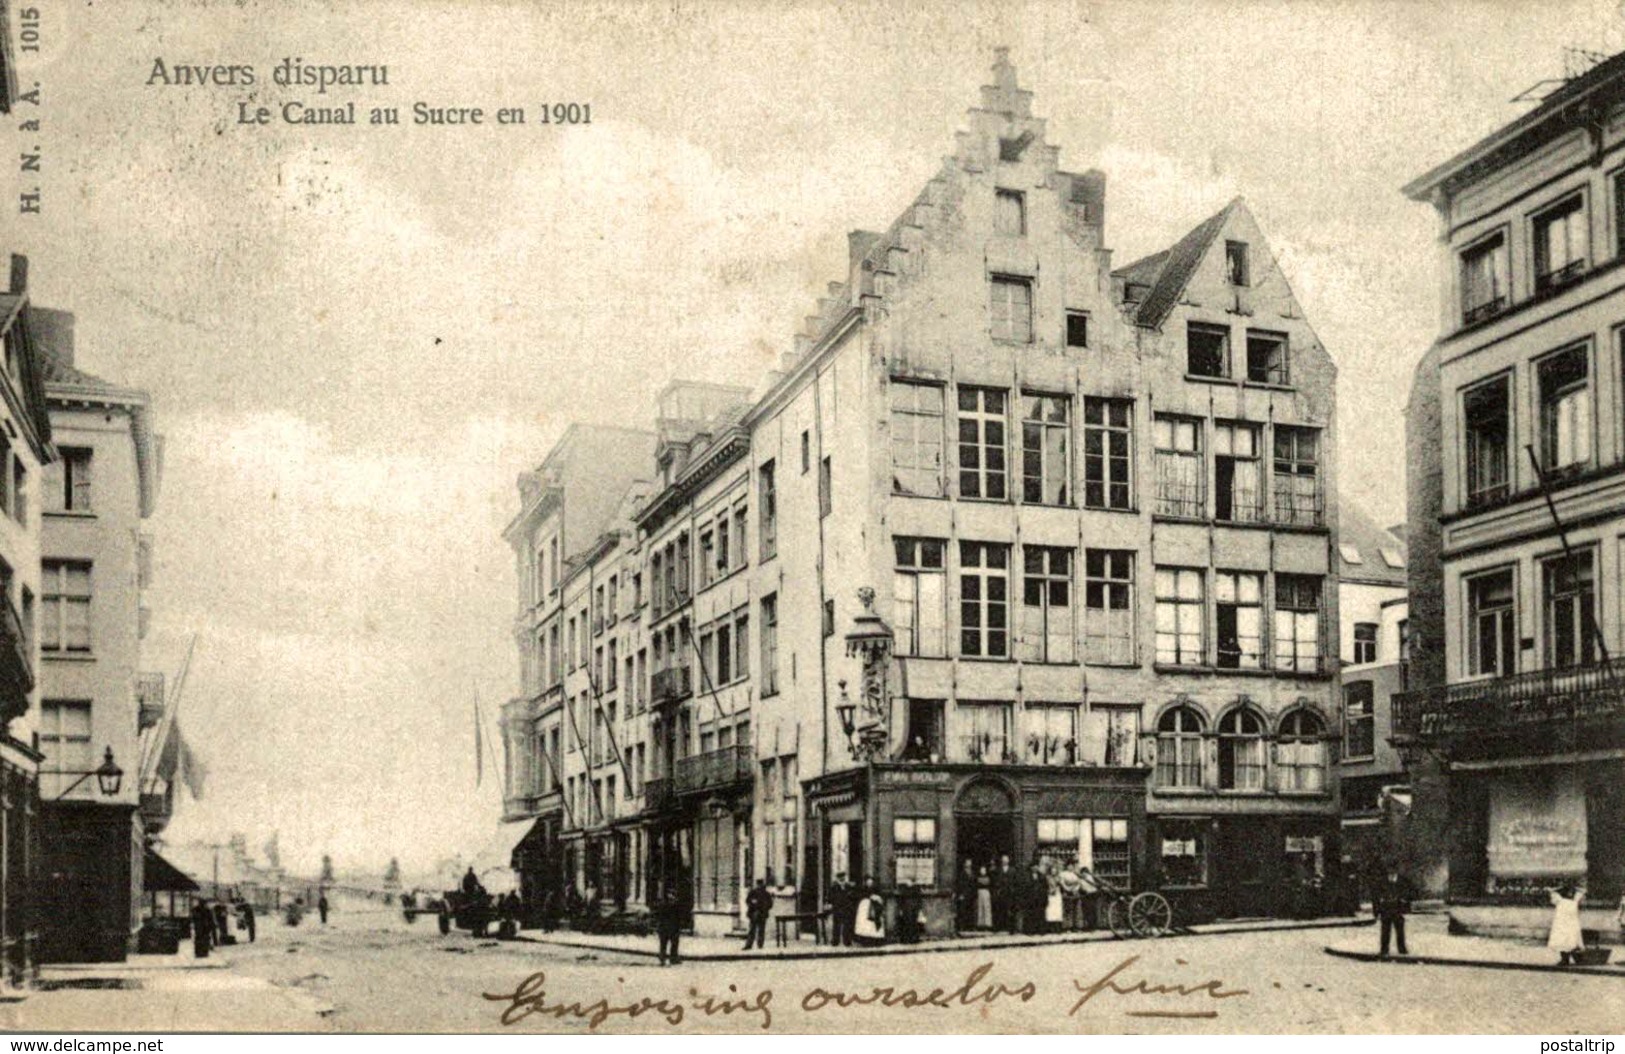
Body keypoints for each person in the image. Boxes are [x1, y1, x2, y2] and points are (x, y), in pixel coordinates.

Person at [1372, 866, 1412, 957]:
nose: (1391, 873)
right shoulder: (1381, 882)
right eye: (1390, 871)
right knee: (1385, 929)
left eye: (1393, 871)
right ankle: (1384, 949)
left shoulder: (1402, 881)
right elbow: (1376, 896)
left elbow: (1408, 893)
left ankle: (1402, 948)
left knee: (1400, 930)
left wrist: (1405, 904)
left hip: (1397, 908)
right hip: (1386, 909)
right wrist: (1376, 911)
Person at [1548, 883, 1586, 965]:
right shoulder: (1560, 899)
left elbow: (1582, 893)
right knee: (1564, 939)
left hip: (1570, 922)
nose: (1569, 893)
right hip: (1563, 922)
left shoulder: (1564, 900)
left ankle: (1571, 958)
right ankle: (1566, 958)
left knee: (1571, 939)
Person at [653, 884, 683, 965]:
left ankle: (669, 958)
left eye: (672, 895)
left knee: (670, 944)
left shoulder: (666, 904)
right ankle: (667, 959)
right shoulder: (671, 904)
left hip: (669, 927)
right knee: (666, 944)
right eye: (670, 894)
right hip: (668, 928)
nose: (671, 896)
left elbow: (678, 916)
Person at [743, 878, 773, 950]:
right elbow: (747, 901)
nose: (760, 886)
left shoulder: (766, 894)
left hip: (762, 914)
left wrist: (765, 907)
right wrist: (752, 903)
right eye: (759, 884)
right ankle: (749, 944)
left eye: (761, 884)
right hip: (754, 913)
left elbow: (770, 904)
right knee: (752, 930)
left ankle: (760, 944)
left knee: (761, 930)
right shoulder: (753, 892)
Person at [828, 873, 855, 946]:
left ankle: (847, 941)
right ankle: (835, 941)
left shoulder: (848, 886)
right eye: (840, 878)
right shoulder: (834, 887)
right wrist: (831, 903)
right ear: (838, 879)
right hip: (837, 908)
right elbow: (830, 896)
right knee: (836, 925)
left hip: (846, 908)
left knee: (847, 925)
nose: (842, 879)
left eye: (843, 877)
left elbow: (852, 896)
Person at [955, 859, 977, 934]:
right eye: (967, 863)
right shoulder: (962, 874)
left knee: (971, 911)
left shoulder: (973, 873)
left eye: (970, 863)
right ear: (965, 864)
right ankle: (962, 927)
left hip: (971, 895)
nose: (969, 865)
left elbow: (974, 884)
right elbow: (959, 884)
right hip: (964, 895)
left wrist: (974, 894)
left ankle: (970, 927)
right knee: (963, 911)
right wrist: (960, 894)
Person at [975, 865, 993, 930]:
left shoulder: (988, 878)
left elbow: (988, 884)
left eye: (984, 870)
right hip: (980, 892)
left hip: (986, 892)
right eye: (981, 870)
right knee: (980, 907)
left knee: (986, 907)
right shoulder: (978, 878)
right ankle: (980, 924)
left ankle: (987, 924)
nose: (982, 871)